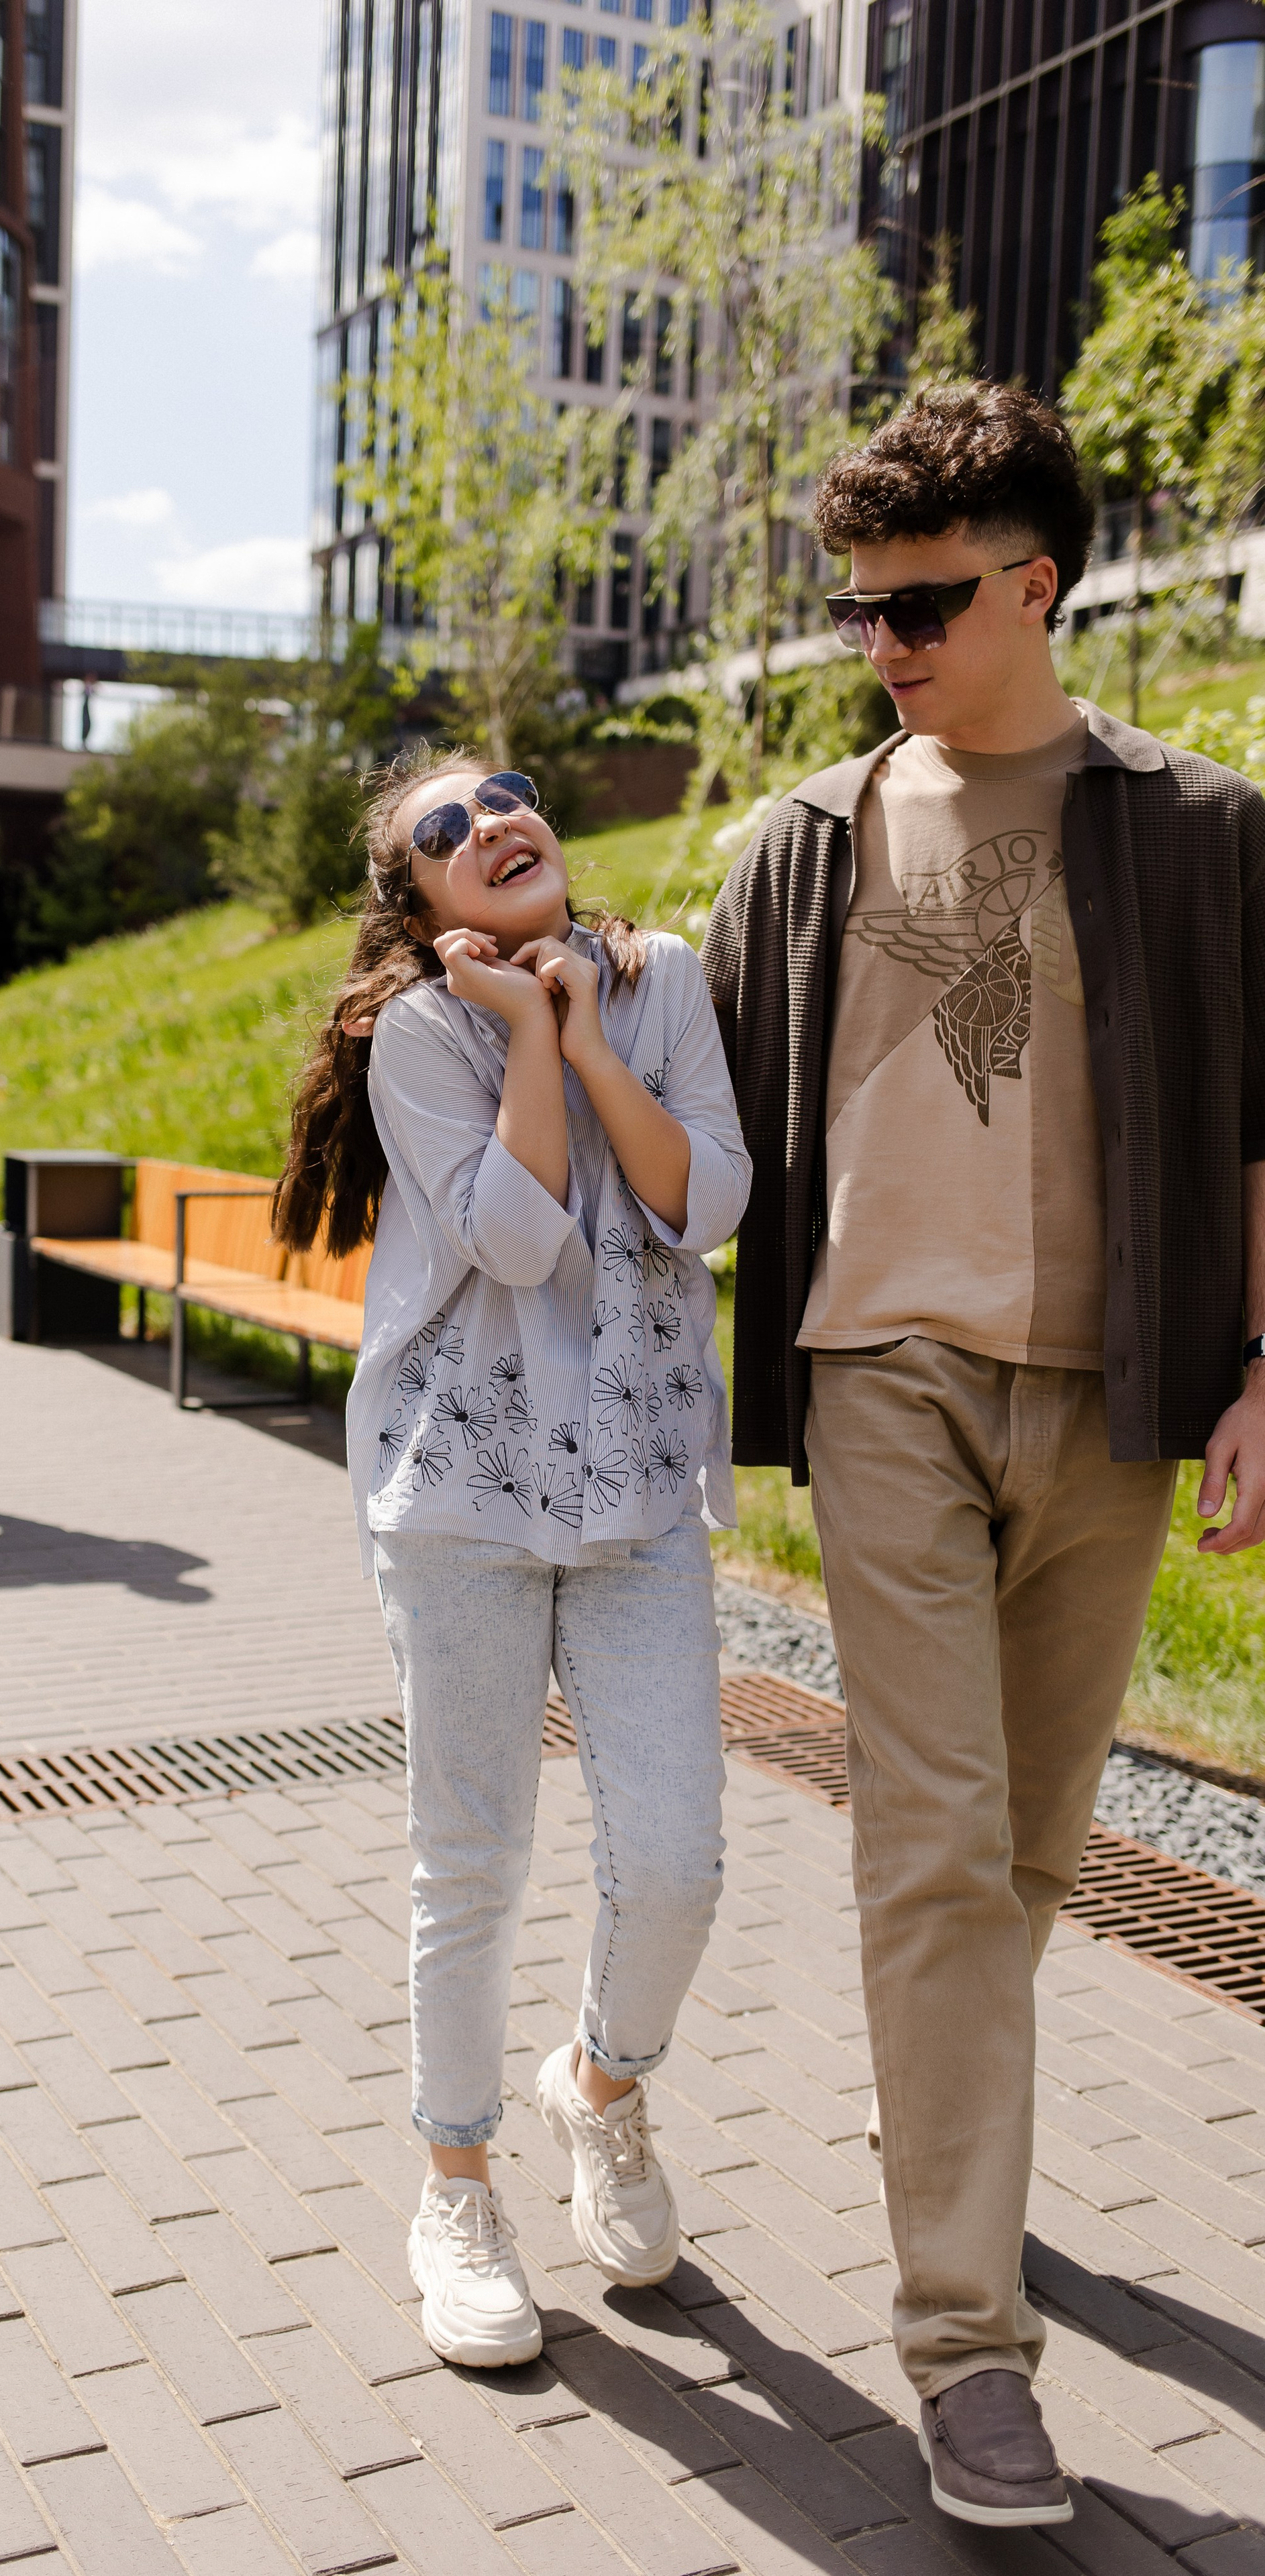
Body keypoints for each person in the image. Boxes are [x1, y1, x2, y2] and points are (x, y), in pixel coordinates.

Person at [703, 381, 1265, 2530]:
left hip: (1106, 1391)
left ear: (1037, 582)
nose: (886, 641)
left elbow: (1251, 1121)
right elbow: (706, 1102)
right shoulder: (804, 840)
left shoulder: (1201, 828)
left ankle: (959, 2144)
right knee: (933, 1850)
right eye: (858, 607)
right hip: (885, 1386)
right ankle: (963, 2342)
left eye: (925, 600)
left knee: (1028, 1853)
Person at [275, 749, 751, 2367]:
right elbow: (520, 1234)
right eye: (440, 827)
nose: (489, 822)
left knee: (677, 1859)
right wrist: (522, 1032)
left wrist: (580, 1028)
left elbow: (708, 1199)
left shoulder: (663, 976)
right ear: (411, 901)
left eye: (509, 793)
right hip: (458, 1498)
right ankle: (456, 2185)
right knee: (467, 1865)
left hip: (634, 1496)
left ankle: (600, 2086)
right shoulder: (416, 1030)